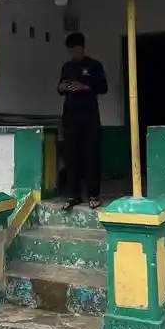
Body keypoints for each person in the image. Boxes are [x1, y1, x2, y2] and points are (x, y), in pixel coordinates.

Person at [58, 32, 107, 211]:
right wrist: (63, 87)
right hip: (70, 116)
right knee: (71, 155)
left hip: (89, 116)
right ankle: (73, 195)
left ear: (83, 48)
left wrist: (84, 86)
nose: (74, 54)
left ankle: (93, 194)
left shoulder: (94, 65)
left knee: (91, 154)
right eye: (71, 51)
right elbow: (60, 86)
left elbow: (103, 87)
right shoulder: (67, 67)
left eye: (76, 50)